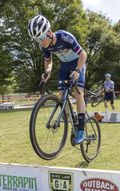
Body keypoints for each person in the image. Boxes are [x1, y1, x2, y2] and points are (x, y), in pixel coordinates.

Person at [28, 15, 87, 144]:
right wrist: (47, 72)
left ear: (49, 33)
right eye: (37, 40)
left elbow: (83, 54)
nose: (40, 42)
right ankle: (74, 115)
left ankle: (81, 129)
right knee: (61, 96)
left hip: (78, 63)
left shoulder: (64, 37)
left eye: (41, 38)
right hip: (64, 67)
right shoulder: (44, 46)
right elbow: (48, 61)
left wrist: (78, 70)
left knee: (78, 93)